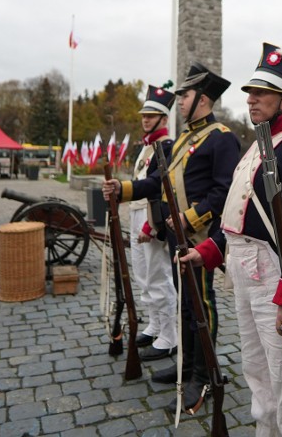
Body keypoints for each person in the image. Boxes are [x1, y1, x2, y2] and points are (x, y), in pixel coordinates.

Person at [179, 39, 282, 435]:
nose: (251, 99)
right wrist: (210, 250)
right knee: (255, 367)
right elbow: (239, 218)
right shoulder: (257, 147)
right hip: (244, 271)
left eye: (262, 93)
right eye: (250, 92)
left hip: (274, 275)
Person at [111, 62, 239, 414]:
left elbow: (224, 191)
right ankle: (185, 365)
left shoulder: (222, 138)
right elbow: (156, 182)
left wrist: (189, 217)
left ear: (203, 99)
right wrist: (121, 189)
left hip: (198, 238)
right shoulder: (182, 140)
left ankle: (205, 376)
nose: (179, 100)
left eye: (185, 95)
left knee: (201, 306)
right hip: (176, 237)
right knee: (184, 305)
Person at [103, 83, 179, 362]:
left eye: (151, 115)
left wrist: (151, 225)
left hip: (151, 218)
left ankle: (169, 336)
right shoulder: (146, 148)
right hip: (136, 215)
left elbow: (160, 186)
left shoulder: (166, 147)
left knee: (159, 277)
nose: (145, 119)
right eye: (144, 115)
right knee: (144, 277)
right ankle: (155, 325)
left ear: (164, 119)